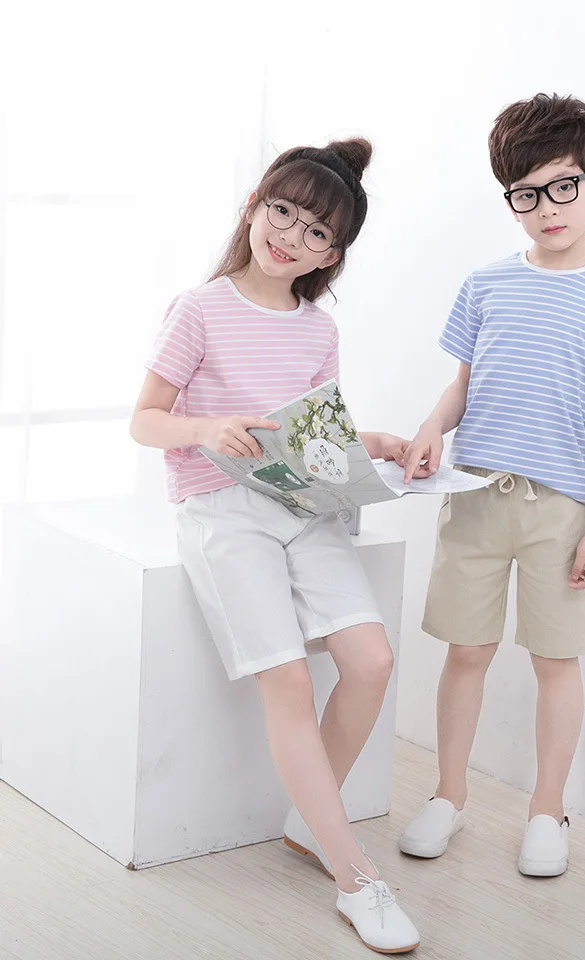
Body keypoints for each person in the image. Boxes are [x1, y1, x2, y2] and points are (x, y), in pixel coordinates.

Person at [131, 137, 420, 954]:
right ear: (255, 206)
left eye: (316, 231)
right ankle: (355, 877)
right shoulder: (199, 309)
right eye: (283, 211)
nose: (291, 235)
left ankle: (308, 820)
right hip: (221, 507)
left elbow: (312, 435)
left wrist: (376, 444)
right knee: (287, 679)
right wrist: (205, 428)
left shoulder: (318, 329)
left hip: (303, 506)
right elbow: (144, 420)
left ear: (333, 255)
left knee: (371, 662)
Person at [399, 94, 585, 878]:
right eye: (526, 193)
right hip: (474, 494)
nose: (547, 208)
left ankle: (549, 810)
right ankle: (449, 795)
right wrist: (430, 427)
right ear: (509, 200)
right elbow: (463, 385)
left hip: (560, 510)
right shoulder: (485, 285)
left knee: (555, 660)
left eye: (563, 186)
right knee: (467, 651)